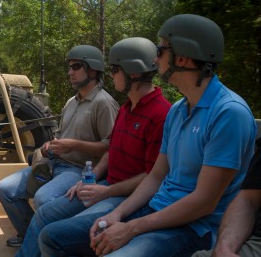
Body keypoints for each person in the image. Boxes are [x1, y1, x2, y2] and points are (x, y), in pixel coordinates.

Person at [41, 14, 257, 257]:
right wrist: (118, 213)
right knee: (52, 237)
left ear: (183, 57)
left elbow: (204, 202)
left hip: (193, 227)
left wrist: (131, 228)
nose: (155, 59)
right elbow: (156, 176)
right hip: (154, 208)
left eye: (161, 50)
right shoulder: (178, 110)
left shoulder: (228, 113)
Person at [15, 37, 171, 256]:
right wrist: (89, 179)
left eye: (115, 69)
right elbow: (112, 150)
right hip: (105, 184)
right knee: (44, 214)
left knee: (56, 234)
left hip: (127, 195)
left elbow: (152, 175)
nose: (111, 75)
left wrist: (106, 191)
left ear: (133, 73)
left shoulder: (161, 115)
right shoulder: (127, 107)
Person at [0, 45, 119, 247]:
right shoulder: (71, 102)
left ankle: (50, 243)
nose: (70, 72)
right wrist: (48, 146)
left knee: (44, 198)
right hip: (53, 164)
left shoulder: (104, 103)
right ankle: (29, 236)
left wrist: (74, 145)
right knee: (4, 189)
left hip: (79, 170)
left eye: (76, 66)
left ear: (93, 70)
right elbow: (61, 135)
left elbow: (111, 147)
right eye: (70, 67)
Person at [192, 140, 261, 257]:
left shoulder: (231, 123)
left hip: (201, 224)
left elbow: (204, 201)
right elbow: (248, 200)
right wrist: (223, 249)